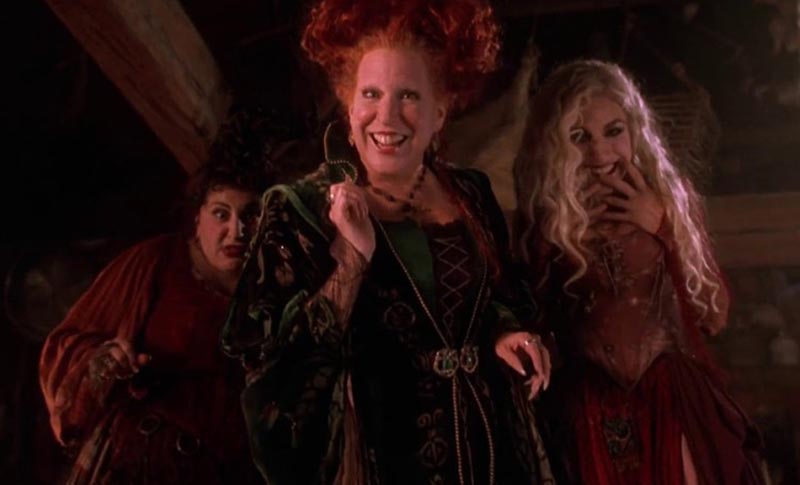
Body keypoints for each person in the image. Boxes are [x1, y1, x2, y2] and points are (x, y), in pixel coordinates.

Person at [221, 1, 555, 484]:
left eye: (409, 96)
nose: (387, 116)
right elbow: (274, 374)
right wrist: (352, 260)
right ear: (348, 105)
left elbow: (498, 297)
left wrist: (505, 331)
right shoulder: (298, 210)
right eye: (371, 94)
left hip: (490, 457)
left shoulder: (472, 194)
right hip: (380, 463)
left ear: (440, 112)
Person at [513, 59, 767, 484]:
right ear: (554, 144)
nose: (600, 154)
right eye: (580, 137)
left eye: (614, 131)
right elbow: (532, 322)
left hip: (672, 400)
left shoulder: (670, 201)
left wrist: (663, 227)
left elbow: (715, 314)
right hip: (589, 412)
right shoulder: (545, 222)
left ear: (634, 131)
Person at [38, 111, 275, 484]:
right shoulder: (157, 261)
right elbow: (68, 342)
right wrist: (103, 361)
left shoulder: (275, 288)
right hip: (139, 462)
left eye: (251, 215)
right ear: (197, 218)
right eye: (221, 214)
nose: (236, 231)